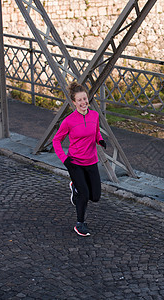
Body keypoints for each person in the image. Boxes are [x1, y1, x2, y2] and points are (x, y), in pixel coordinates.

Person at [52, 81, 107, 236]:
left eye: (85, 99)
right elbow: (56, 140)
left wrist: (100, 140)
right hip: (75, 163)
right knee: (84, 194)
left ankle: (75, 187)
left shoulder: (95, 115)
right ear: (74, 102)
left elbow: (96, 131)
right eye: (80, 100)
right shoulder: (69, 121)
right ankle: (79, 224)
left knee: (95, 196)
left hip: (91, 161)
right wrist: (64, 159)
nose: (83, 102)